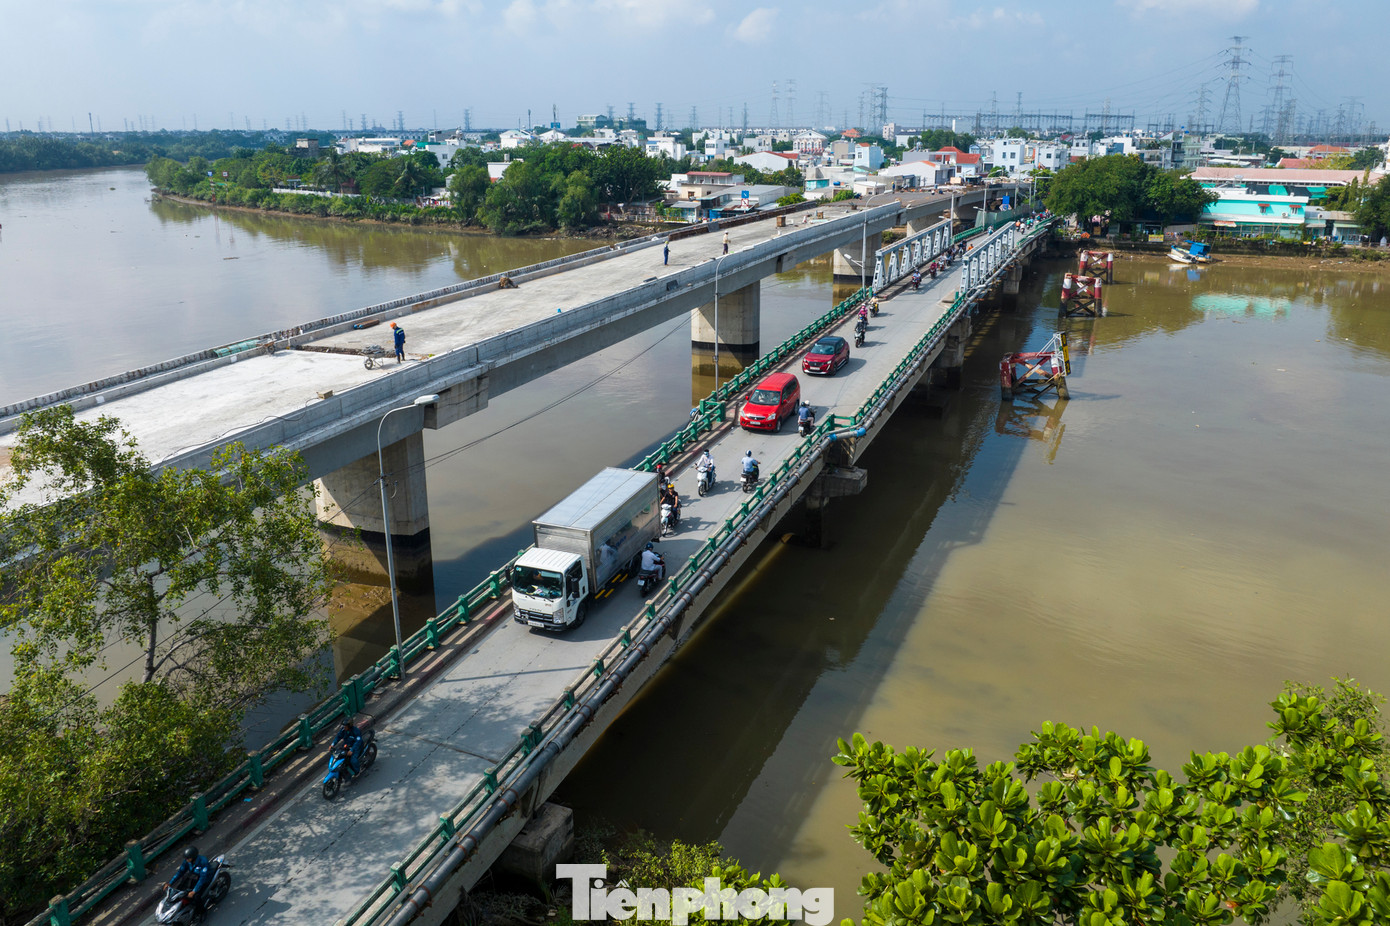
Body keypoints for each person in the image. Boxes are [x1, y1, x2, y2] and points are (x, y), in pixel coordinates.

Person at [169, 846, 213, 918]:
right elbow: (180, 872)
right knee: (180, 889)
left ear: (193, 857)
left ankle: (202, 912)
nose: (186, 860)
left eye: (188, 858)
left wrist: (194, 891)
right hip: (194, 877)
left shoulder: (203, 861)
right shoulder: (187, 862)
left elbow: (202, 878)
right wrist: (170, 883)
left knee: (196, 897)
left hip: (205, 879)